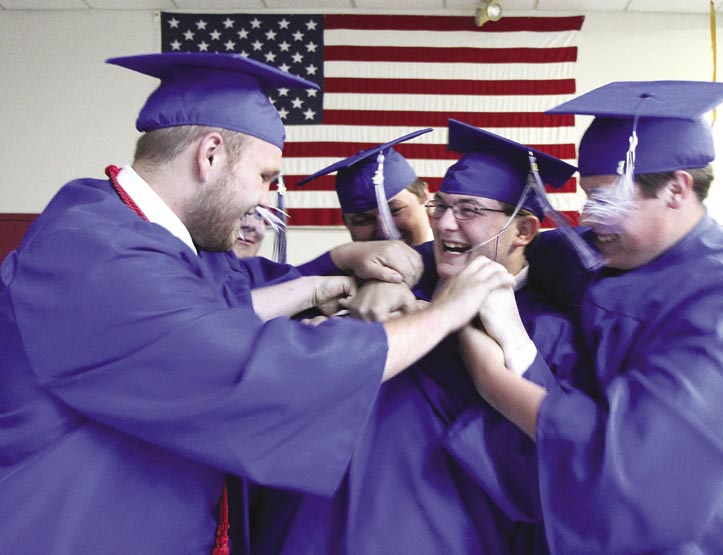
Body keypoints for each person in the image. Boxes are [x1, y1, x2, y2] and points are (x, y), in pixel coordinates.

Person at [0, 52, 517, 554]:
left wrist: (333, 266)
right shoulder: (94, 253)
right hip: (69, 529)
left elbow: (226, 293)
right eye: (267, 178)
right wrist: (444, 311)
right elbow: (249, 363)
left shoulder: (140, 231)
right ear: (210, 154)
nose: (269, 201)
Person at [456, 81, 723, 554]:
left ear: (676, 189)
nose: (589, 218)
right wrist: (371, 258)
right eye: (586, 196)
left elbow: (637, 471)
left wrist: (490, 373)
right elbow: (496, 249)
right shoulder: (600, 250)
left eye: (605, 198)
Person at [250, 119, 586, 554]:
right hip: (313, 522)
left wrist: (492, 339)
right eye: (442, 207)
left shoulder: (549, 330)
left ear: (523, 231)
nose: (446, 224)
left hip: (440, 528)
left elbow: (550, 461)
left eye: (469, 210)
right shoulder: (381, 289)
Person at [298, 129, 433, 247]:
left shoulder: (452, 267)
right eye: (363, 220)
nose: (384, 232)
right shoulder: (336, 274)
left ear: (425, 197)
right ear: (347, 224)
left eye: (394, 211)